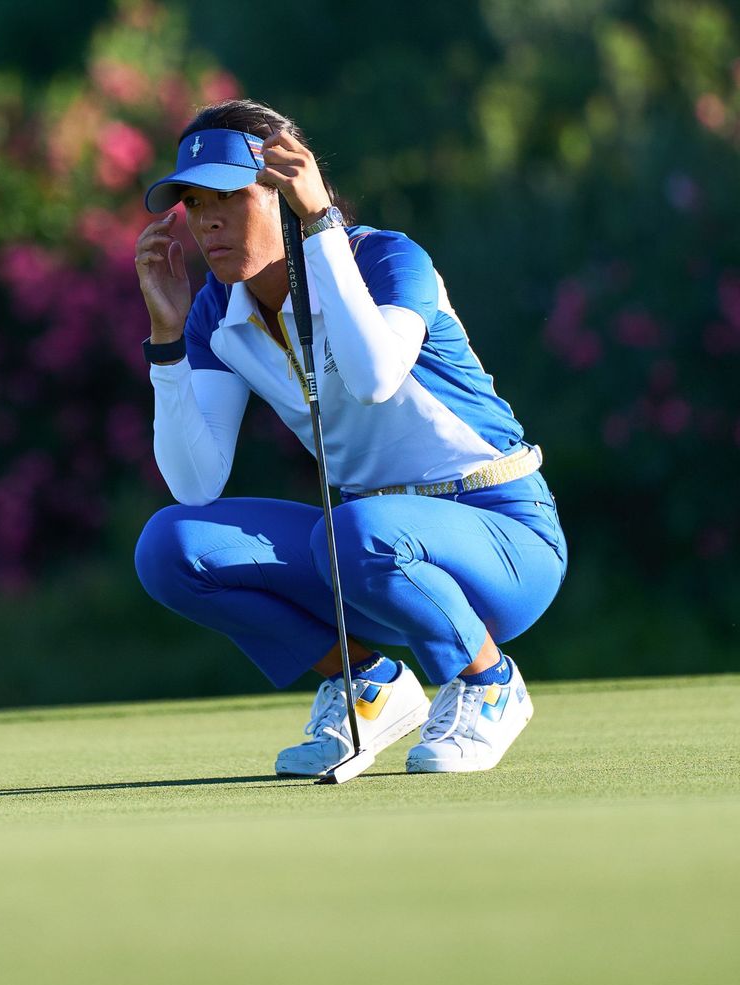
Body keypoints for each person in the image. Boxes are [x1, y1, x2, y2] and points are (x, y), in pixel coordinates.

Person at [131, 100, 567, 775]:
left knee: (354, 533)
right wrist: (166, 338)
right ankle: (369, 684)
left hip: (504, 535)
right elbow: (196, 483)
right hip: (364, 559)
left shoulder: (389, 259)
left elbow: (373, 379)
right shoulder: (216, 310)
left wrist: (319, 222)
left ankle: (489, 682)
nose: (208, 220)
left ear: (285, 188)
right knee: (170, 548)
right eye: (193, 202)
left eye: (229, 195)